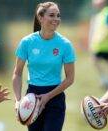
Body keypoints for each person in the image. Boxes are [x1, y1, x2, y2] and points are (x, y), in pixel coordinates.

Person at [12, 2, 75, 131]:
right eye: (51, 15)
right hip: (32, 98)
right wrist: (18, 101)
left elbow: (70, 79)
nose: (56, 19)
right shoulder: (27, 42)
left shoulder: (65, 44)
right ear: (40, 17)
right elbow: (17, 73)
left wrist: (48, 96)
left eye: (58, 15)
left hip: (55, 97)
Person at [88, 0, 108, 89]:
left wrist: (102, 38)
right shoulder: (98, 14)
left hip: (105, 44)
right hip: (98, 44)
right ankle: (105, 79)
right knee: (94, 61)